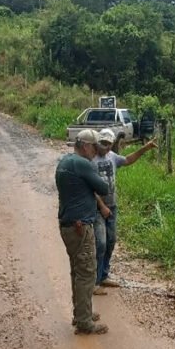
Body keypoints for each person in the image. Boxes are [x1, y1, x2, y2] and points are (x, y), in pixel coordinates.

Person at [56, 129, 110, 334]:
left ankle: (81, 313)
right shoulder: (82, 164)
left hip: (68, 225)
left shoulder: (66, 161)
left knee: (78, 272)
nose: (96, 152)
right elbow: (103, 188)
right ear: (86, 146)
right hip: (79, 227)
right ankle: (84, 322)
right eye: (95, 147)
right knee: (87, 273)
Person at [92, 128, 156, 292]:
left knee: (111, 241)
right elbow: (90, 189)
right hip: (98, 208)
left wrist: (145, 148)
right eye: (103, 143)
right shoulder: (91, 160)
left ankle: (104, 275)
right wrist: (102, 206)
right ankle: (95, 281)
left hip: (112, 206)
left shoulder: (112, 157)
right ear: (97, 142)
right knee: (101, 243)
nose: (105, 147)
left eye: (108, 144)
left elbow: (128, 160)